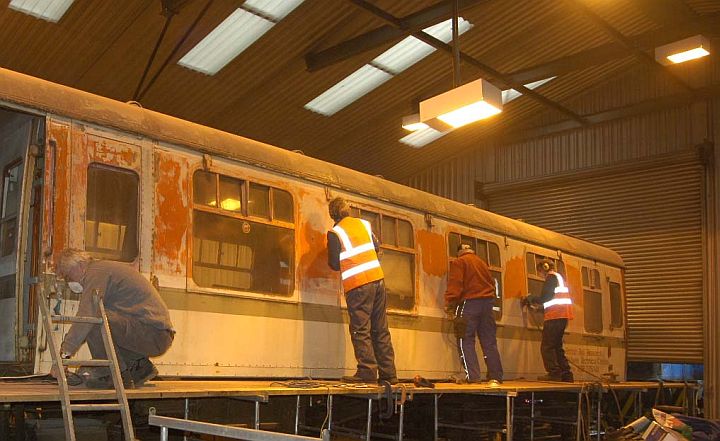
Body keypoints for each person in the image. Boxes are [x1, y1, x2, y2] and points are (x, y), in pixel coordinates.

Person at [55, 249, 175, 389]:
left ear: (81, 265)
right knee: (102, 320)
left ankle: (110, 374)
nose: (69, 281)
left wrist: (64, 356)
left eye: (69, 275)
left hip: (154, 334)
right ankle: (138, 367)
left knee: (96, 320)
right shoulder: (103, 270)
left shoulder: (96, 272)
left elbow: (87, 316)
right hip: (156, 333)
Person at [326, 197, 398, 384]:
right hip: (378, 280)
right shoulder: (364, 225)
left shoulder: (335, 233)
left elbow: (334, 264)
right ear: (347, 211)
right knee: (380, 328)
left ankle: (367, 371)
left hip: (358, 285)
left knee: (360, 329)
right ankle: (389, 374)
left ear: (332, 215)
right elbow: (376, 247)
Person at [444, 244, 503, 386]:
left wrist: (449, 302)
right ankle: (495, 376)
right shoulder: (482, 263)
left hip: (469, 304)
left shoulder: (459, 262)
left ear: (459, 252)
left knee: (465, 340)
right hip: (487, 305)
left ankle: (473, 376)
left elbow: (456, 284)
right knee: (489, 341)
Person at [525, 259, 574, 382]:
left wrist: (530, 298)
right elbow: (553, 300)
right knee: (556, 345)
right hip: (562, 315)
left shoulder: (551, 278)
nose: (540, 274)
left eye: (540, 271)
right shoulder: (558, 278)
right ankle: (566, 373)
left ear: (544, 268)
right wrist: (540, 309)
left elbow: (545, 297)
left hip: (555, 316)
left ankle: (554, 373)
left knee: (547, 346)